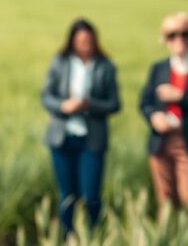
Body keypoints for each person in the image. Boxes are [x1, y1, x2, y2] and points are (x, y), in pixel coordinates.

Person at [40, 18, 121, 232]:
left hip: (91, 139)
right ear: (72, 41)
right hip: (63, 137)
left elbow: (114, 103)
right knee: (67, 196)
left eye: (88, 40)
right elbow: (46, 97)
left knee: (91, 195)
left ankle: (91, 235)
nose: (85, 44)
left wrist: (89, 105)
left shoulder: (105, 66)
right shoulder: (60, 62)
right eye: (80, 40)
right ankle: (69, 237)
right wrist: (64, 106)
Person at [139, 12, 188, 228]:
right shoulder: (159, 68)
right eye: (173, 35)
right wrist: (154, 116)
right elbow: (145, 102)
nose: (180, 40)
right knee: (165, 201)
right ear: (165, 39)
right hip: (161, 140)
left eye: (186, 34)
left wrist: (180, 97)